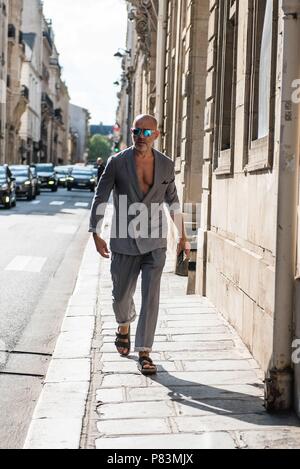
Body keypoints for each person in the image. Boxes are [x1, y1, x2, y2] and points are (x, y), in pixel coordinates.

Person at [89, 114, 190, 375]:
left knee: (151, 296)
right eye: (136, 131)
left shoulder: (167, 166)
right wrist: (95, 231)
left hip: (155, 239)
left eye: (146, 132)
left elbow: (173, 201)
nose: (140, 137)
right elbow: (101, 196)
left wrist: (183, 236)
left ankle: (145, 351)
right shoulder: (117, 162)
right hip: (123, 238)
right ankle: (124, 324)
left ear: (156, 135)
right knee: (120, 296)